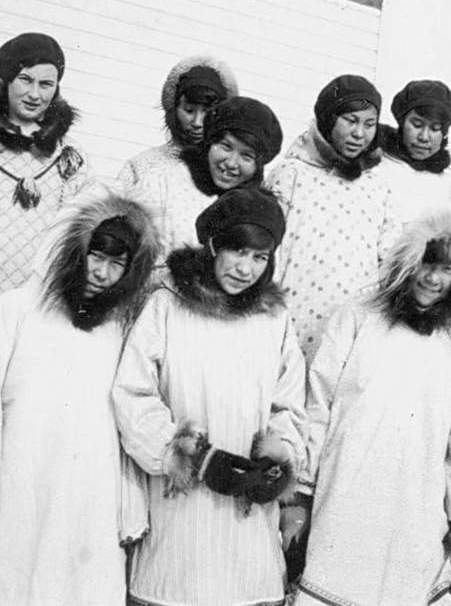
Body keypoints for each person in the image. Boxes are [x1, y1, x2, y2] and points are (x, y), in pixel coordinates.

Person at [294, 207, 451, 606]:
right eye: (427, 263)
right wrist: (300, 493)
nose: (433, 278)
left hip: (415, 501)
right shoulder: (356, 318)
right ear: (408, 261)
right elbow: (318, 405)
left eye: (448, 271)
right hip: (345, 493)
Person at [112, 187, 306, 606]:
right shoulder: (167, 306)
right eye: (238, 251)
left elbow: (289, 403)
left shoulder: (273, 319)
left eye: (260, 257)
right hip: (180, 508)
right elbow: (132, 393)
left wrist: (276, 463)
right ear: (213, 243)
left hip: (247, 523)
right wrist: (192, 458)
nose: (246, 268)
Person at [0, 189, 159, 605]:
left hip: (88, 485)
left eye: (116, 264)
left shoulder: (122, 329)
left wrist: (130, 502)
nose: (102, 273)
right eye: (96, 256)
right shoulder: (18, 308)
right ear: (76, 251)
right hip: (20, 473)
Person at [265, 73, 399, 357]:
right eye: (350, 120)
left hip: (350, 331)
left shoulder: (377, 188)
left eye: (369, 124)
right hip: (289, 320)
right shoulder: (291, 174)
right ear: (328, 119)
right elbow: (267, 250)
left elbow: (389, 258)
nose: (359, 133)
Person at [122, 87, 282, 262]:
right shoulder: (162, 181)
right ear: (209, 143)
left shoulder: (259, 210)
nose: (231, 163)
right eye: (226, 147)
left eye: (247, 156)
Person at [0, 32, 89, 291]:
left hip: (30, 298)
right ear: (6, 81)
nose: (34, 94)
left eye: (46, 84)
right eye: (25, 80)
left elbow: (74, 233)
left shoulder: (70, 156)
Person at [372, 79, 451, 224]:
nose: (424, 137)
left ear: (444, 133)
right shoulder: (374, 166)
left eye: (435, 128)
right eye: (417, 124)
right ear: (401, 122)